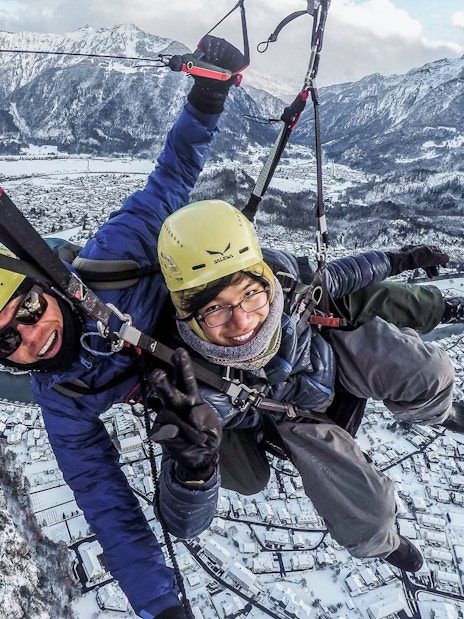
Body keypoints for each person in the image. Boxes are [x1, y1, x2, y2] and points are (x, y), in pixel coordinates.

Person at [0, 36, 248, 619]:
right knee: (226, 483)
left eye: (30, 311)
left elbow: (171, 180)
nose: (32, 338)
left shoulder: (113, 260)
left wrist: (207, 99)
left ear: (46, 282)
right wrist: (161, 607)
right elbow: (105, 504)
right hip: (200, 399)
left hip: (227, 324)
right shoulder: (60, 398)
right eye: (7, 340)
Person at [151, 198, 464, 573]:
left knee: (430, 371)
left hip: (324, 359)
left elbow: (345, 275)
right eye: (214, 308)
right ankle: (385, 544)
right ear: (189, 313)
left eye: (249, 294)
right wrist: (192, 472)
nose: (242, 321)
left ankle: (439, 411)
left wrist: (401, 259)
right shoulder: (195, 382)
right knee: (370, 513)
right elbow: (184, 524)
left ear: (263, 279)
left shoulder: (285, 280)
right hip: (286, 415)